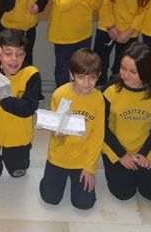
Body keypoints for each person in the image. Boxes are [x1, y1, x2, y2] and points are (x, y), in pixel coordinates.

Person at [102, 42, 151, 201]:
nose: (125, 75)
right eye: (123, 68)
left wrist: (147, 154)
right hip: (116, 150)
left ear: (146, 71)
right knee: (123, 193)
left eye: (133, 72)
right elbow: (100, 127)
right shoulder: (110, 91)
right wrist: (120, 155)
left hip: (144, 150)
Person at [39, 48, 104, 209]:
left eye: (92, 78)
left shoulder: (98, 99)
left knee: (84, 203)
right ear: (72, 75)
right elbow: (55, 132)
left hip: (82, 158)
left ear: (99, 76)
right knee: (50, 198)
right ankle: (49, 178)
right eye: (81, 77)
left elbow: (97, 136)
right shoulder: (59, 94)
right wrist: (57, 132)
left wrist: (89, 167)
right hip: (59, 155)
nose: (87, 84)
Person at [0, 29, 41, 179]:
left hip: (19, 139)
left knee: (17, 173)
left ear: (25, 55)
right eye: (8, 53)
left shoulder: (32, 74)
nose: (14, 59)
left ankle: (17, 158)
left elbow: (28, 109)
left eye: (19, 54)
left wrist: (1, 99)